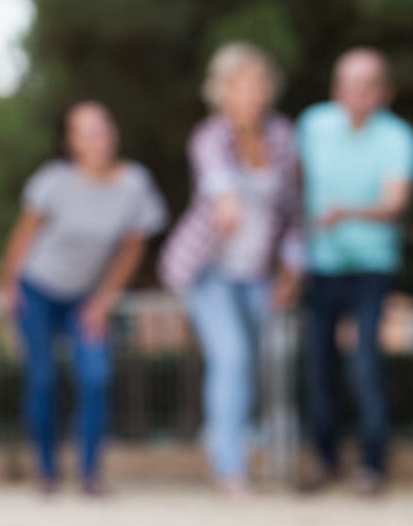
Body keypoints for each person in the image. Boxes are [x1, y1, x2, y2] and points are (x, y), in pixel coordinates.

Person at [0, 101, 168, 495]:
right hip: (37, 289)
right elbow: (23, 235)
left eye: (102, 128)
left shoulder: (134, 185)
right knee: (41, 378)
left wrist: (104, 300)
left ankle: (90, 473)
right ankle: (47, 471)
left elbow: (133, 247)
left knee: (96, 378)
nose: (97, 138)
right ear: (71, 142)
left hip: (86, 299)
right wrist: (8, 286)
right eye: (85, 131)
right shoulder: (53, 181)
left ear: (114, 134)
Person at [159, 42, 301, 497]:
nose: (252, 95)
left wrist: (292, 269)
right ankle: (230, 469)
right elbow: (218, 182)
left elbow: (295, 211)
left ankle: (229, 441)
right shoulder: (210, 137)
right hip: (208, 270)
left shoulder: (282, 137)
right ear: (222, 92)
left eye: (259, 85)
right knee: (232, 357)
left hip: (257, 272)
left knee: (259, 361)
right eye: (241, 86)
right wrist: (226, 202)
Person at [298, 47, 413, 495]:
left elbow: (395, 203)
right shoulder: (312, 125)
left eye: (366, 85)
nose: (356, 94)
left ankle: (373, 464)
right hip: (322, 264)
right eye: (347, 84)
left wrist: (345, 213)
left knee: (365, 363)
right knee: (319, 365)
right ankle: (324, 459)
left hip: (372, 264)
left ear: (383, 92)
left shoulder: (398, 137)